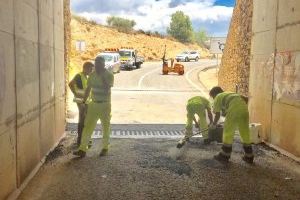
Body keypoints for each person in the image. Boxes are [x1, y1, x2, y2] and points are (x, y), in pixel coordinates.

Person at [73, 56, 114, 157]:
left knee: (105, 127)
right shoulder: (92, 75)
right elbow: (88, 89)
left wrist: (102, 77)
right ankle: (82, 149)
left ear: (103, 64)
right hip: (93, 104)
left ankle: (105, 148)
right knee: (87, 127)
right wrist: (83, 101)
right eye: (96, 64)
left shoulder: (109, 75)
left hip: (105, 105)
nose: (96, 66)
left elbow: (107, 88)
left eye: (99, 64)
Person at [209, 86, 254, 164]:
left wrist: (214, 124)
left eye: (212, 96)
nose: (213, 98)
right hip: (244, 111)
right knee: (245, 133)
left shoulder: (218, 97)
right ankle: (249, 156)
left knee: (228, 132)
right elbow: (245, 99)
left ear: (215, 94)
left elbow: (217, 115)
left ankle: (224, 155)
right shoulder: (231, 93)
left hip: (234, 110)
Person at [69, 61, 94, 146]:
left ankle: (84, 139)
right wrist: (75, 93)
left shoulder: (85, 77)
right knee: (82, 121)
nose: (91, 71)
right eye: (90, 69)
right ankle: (80, 141)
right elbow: (70, 84)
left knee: (85, 121)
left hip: (85, 101)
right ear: (85, 68)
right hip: (81, 102)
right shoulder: (79, 75)